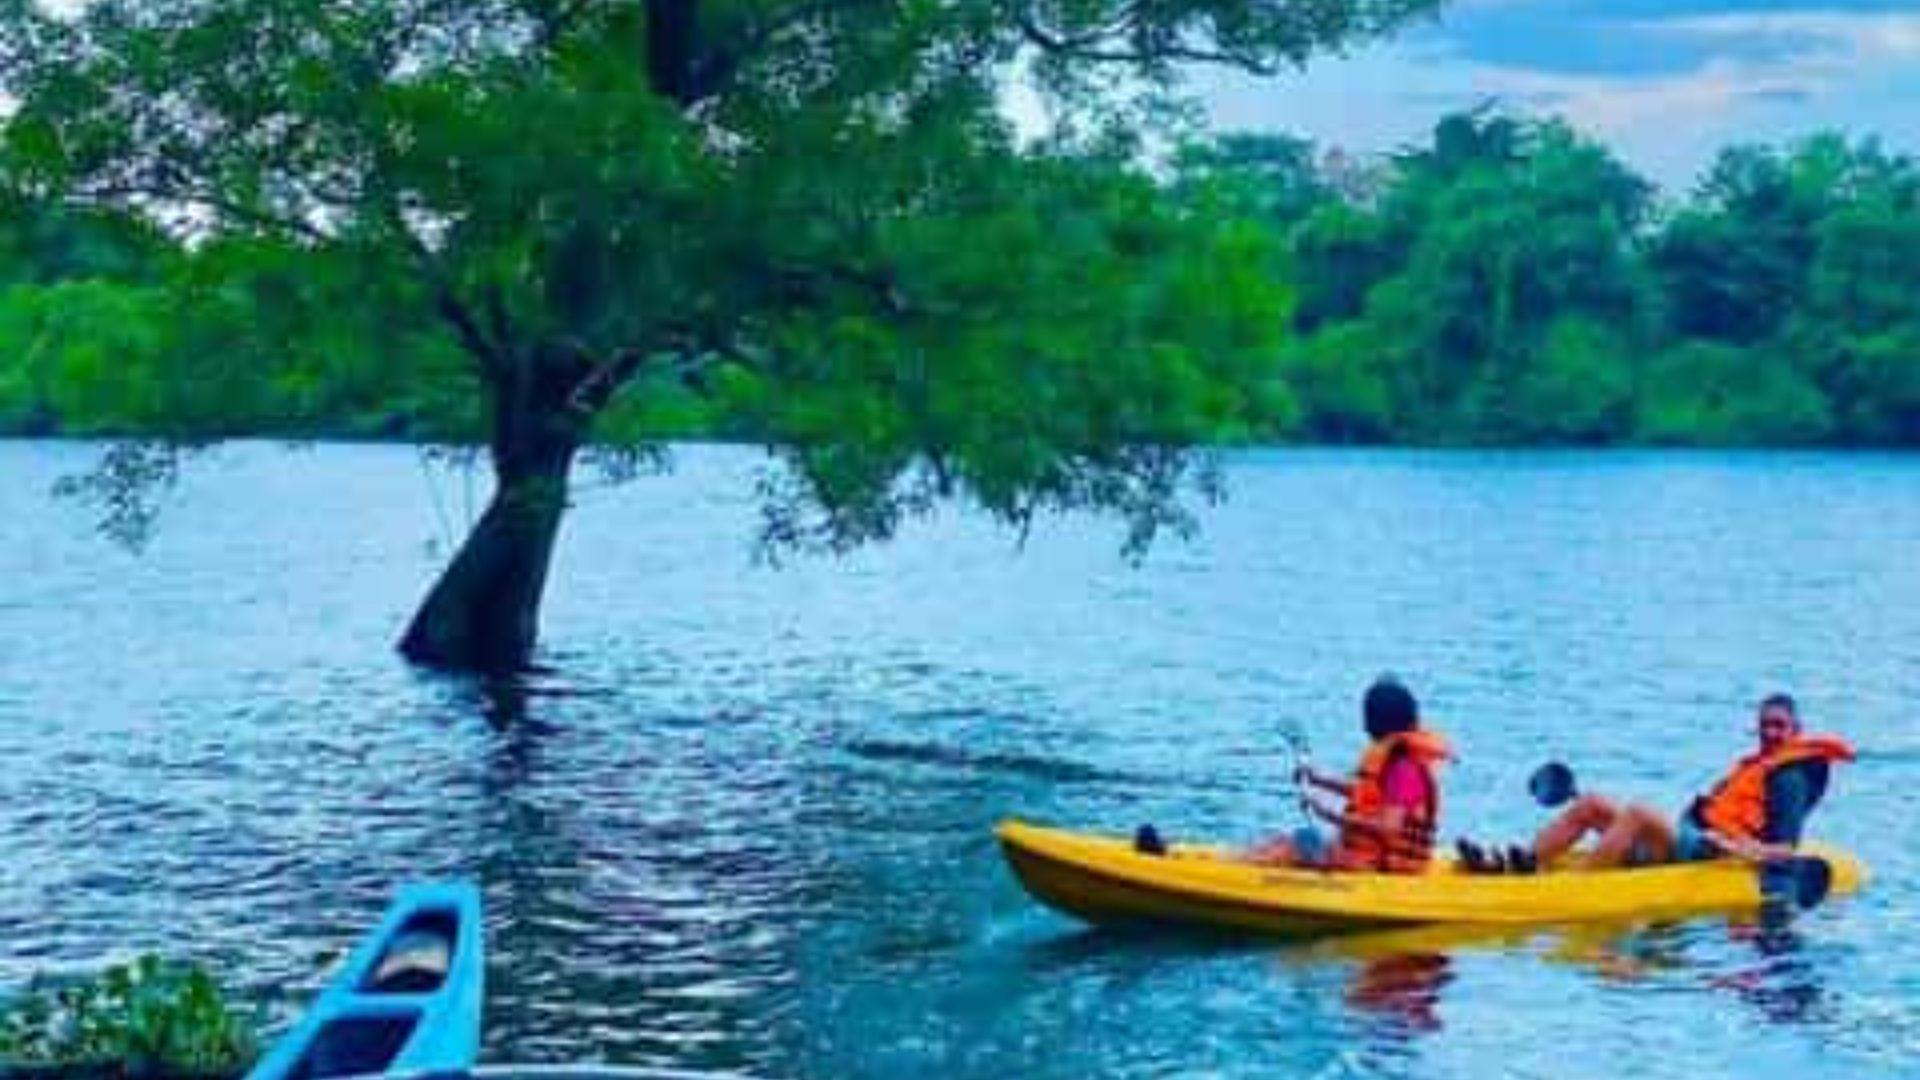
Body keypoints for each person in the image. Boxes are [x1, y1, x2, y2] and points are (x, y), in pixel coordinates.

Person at [1528, 693, 1853, 870]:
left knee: (1639, 813)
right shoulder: (1756, 766)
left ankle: (1582, 886)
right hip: (1690, 837)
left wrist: (1738, 847)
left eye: (1779, 726)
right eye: (1765, 725)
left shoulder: (1789, 778)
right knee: (1591, 803)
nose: (1770, 732)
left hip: (1707, 851)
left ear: (1796, 729)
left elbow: (1785, 847)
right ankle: (1526, 863)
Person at [1239, 676, 1450, 872]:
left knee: (1299, 842)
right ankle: (1240, 864)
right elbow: (1365, 794)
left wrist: (1333, 816)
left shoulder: (1404, 771)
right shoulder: (1396, 762)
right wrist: (1318, 780)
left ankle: (1239, 875)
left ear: (1378, 720)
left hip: (1379, 864)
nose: (1364, 725)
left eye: (1367, 716)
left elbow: (1389, 828)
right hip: (1368, 856)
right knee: (1283, 840)